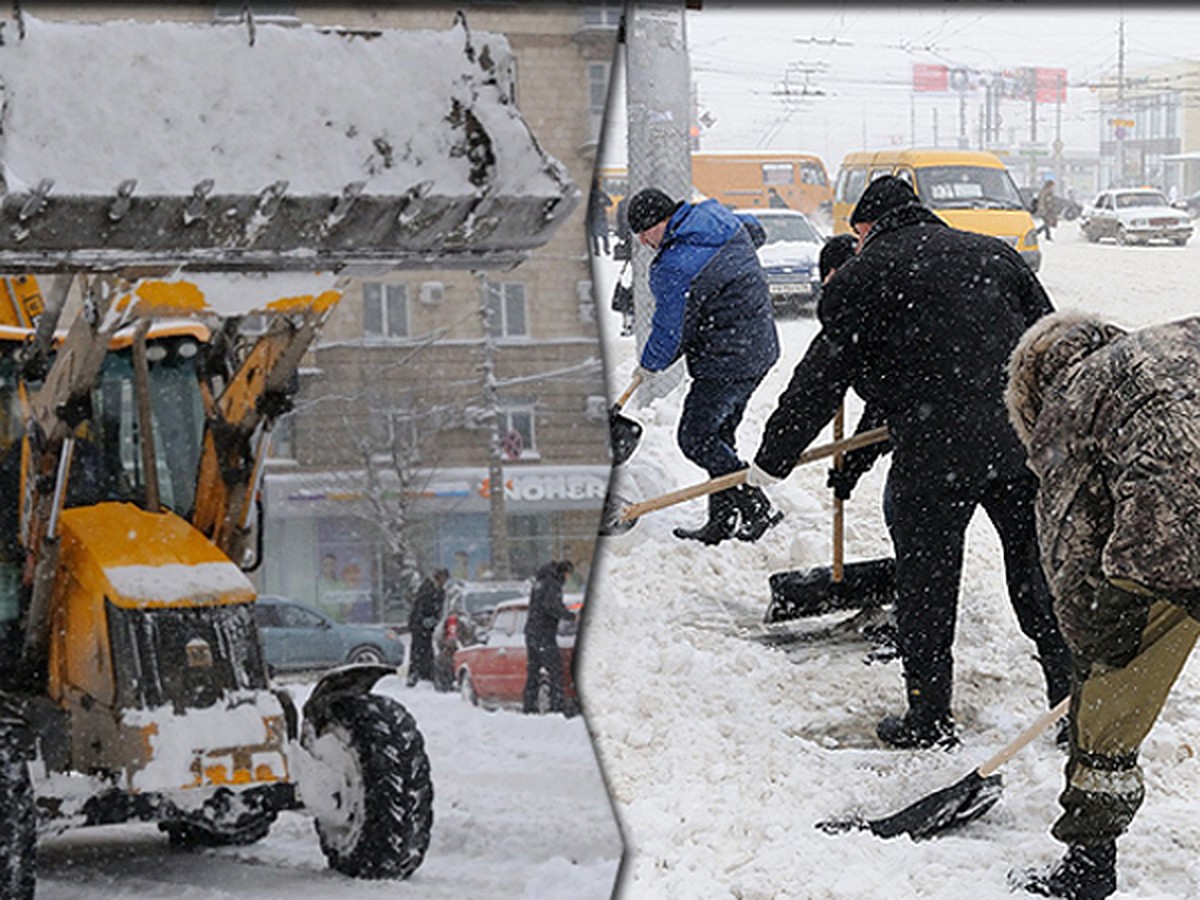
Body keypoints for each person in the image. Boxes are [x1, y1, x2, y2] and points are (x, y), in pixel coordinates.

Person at [746, 175, 1072, 749]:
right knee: (1035, 572)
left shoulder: (864, 275)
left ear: (866, 228)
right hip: (1017, 442)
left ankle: (928, 717)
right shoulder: (994, 255)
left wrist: (773, 459)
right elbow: (1049, 341)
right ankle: (1071, 704)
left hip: (933, 454)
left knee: (927, 582)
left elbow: (821, 378)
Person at [1006, 313, 1200, 900]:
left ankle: (1089, 864)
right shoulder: (1166, 346)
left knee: (1110, 699)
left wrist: (1093, 643)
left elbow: (1071, 548)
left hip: (1175, 536)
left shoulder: (1071, 400)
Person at [626, 186, 783, 545]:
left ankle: (756, 506)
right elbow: (756, 229)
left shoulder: (675, 266)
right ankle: (722, 521)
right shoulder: (719, 221)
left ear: (657, 223)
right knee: (719, 436)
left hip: (725, 360)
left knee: (695, 438)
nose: (645, 242)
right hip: (758, 350)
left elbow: (671, 329)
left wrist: (649, 365)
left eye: (644, 233)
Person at [523, 560, 577, 714]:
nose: (567, 578)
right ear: (564, 572)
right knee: (555, 671)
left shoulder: (541, 581)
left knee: (533, 672)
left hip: (532, 633)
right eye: (568, 575)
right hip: (544, 634)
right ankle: (557, 708)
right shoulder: (552, 583)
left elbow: (545, 605)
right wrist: (571, 616)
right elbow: (551, 606)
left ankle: (529, 707)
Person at [407, 568, 449, 686]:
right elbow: (420, 606)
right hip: (418, 625)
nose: (444, 582)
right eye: (442, 579)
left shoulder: (440, 591)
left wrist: (433, 620)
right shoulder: (427, 588)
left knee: (426, 649)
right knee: (418, 649)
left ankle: (425, 674)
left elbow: (438, 609)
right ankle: (416, 674)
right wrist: (424, 621)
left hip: (427, 626)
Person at [588, 181, 612, 257]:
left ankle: (597, 250)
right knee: (604, 235)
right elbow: (610, 203)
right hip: (602, 217)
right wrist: (603, 203)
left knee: (595, 235)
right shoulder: (601, 194)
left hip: (593, 218)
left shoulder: (590, 195)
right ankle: (606, 249)